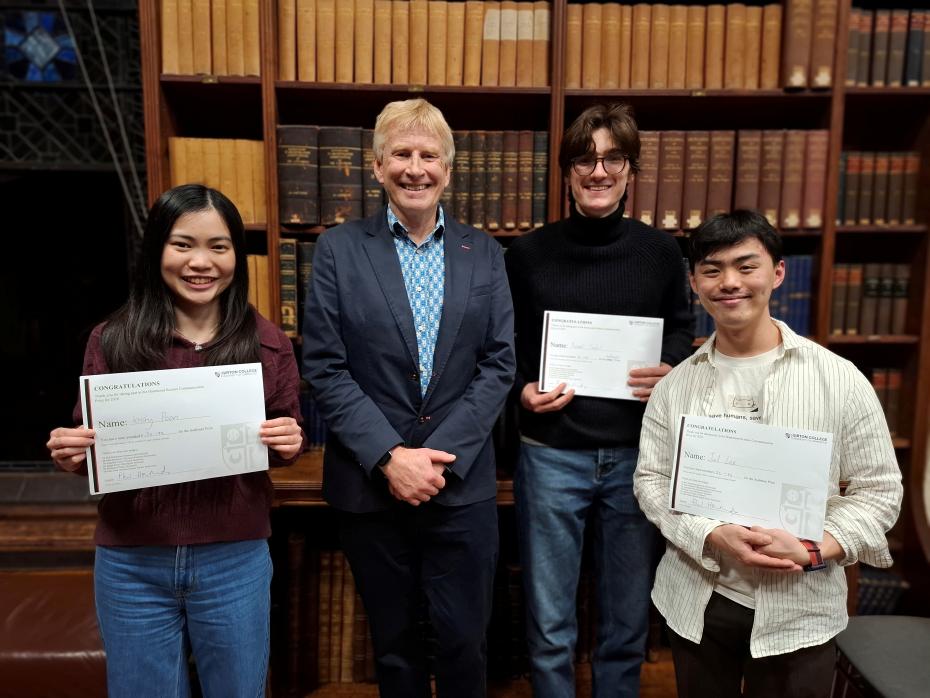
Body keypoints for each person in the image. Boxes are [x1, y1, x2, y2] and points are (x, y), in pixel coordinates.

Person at [46, 184, 305, 697]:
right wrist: (73, 453)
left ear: (237, 255)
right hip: (132, 562)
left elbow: (284, 435)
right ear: (156, 250)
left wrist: (288, 440)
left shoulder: (267, 343)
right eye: (183, 244)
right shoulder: (112, 339)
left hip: (235, 558)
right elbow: (90, 448)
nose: (200, 262)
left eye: (219, 246)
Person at [634, 210, 903, 698]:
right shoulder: (674, 387)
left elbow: (880, 493)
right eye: (712, 270)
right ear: (694, 282)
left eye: (746, 266)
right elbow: (651, 481)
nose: (729, 283)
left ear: (778, 273)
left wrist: (814, 548)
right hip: (698, 598)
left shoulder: (839, 378)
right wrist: (710, 533)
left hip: (800, 605)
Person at [302, 98, 515, 697]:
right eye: (401, 153)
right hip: (371, 489)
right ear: (377, 166)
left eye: (429, 156)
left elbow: (499, 364)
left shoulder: (485, 253)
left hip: (460, 484)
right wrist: (391, 456)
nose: (414, 168)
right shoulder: (339, 251)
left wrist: (436, 456)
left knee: (462, 642)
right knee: (392, 648)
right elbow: (324, 366)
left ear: (448, 170)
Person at [504, 103, 694, 697]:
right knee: (550, 618)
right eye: (585, 160)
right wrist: (521, 393)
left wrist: (670, 369)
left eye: (613, 158)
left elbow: (683, 332)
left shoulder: (662, 253)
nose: (598, 171)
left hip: (638, 460)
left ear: (630, 170)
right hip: (550, 454)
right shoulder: (527, 255)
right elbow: (502, 347)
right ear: (566, 173)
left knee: (626, 617)